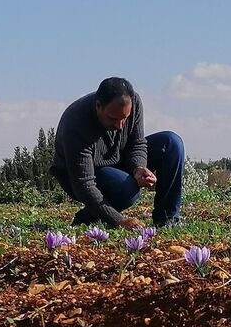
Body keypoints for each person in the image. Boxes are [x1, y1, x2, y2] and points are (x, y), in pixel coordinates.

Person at [50, 77, 185, 229]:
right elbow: (83, 184)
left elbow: (137, 143)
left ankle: (166, 220)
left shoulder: (134, 103)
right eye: (113, 118)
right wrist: (118, 220)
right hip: (85, 174)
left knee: (172, 143)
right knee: (127, 189)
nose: (120, 125)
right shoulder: (76, 122)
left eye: (124, 119)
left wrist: (138, 168)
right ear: (98, 106)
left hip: (117, 159)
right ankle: (87, 218)